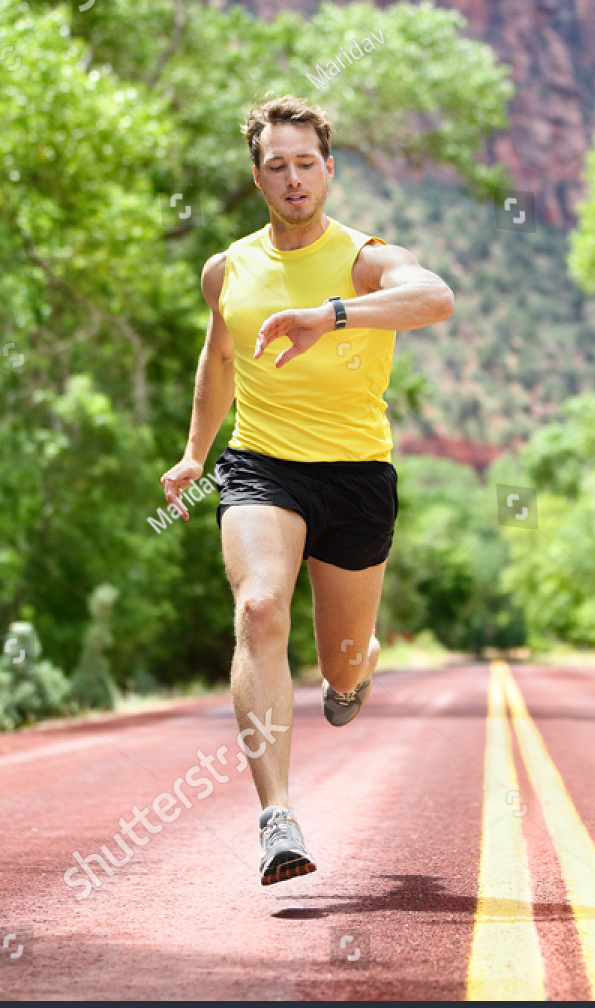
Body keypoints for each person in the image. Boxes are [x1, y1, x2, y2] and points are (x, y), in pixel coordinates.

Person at [159, 94, 455, 886]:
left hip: (357, 476)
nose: (293, 179)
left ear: (329, 170)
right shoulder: (227, 268)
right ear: (258, 178)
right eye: (276, 166)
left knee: (342, 671)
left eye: (305, 164)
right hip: (263, 466)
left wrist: (332, 316)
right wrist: (195, 453)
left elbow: (436, 297)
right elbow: (221, 358)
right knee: (260, 607)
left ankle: (356, 667)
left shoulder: (365, 258)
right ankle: (277, 817)